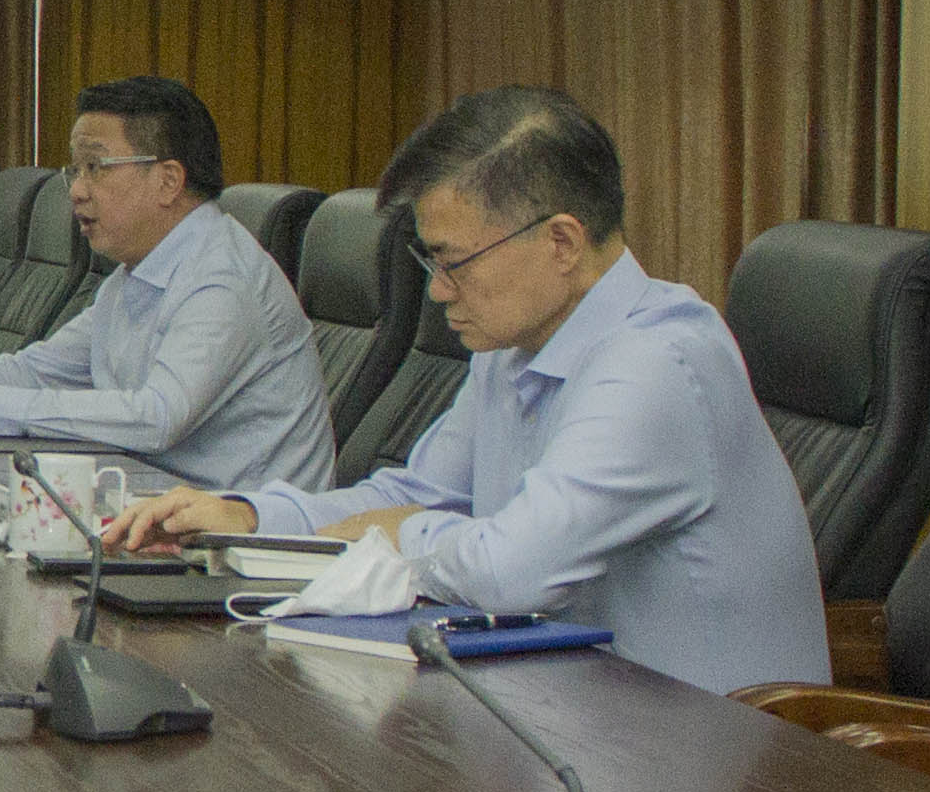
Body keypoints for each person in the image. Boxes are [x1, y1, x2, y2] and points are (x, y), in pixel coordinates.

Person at [108, 86, 830, 694]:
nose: (437, 290)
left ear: (561, 242)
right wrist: (248, 514)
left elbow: (511, 571)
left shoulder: (657, 364)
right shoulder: (514, 346)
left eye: (454, 261)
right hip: (565, 703)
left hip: (707, 761)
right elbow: (420, 493)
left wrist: (403, 532)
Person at [0, 78, 334, 490]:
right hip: (155, 507)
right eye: (76, 169)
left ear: (168, 181)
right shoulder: (132, 277)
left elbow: (158, 416)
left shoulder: (223, 278)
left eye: (96, 167)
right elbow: (34, 371)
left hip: (248, 535)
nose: (76, 190)